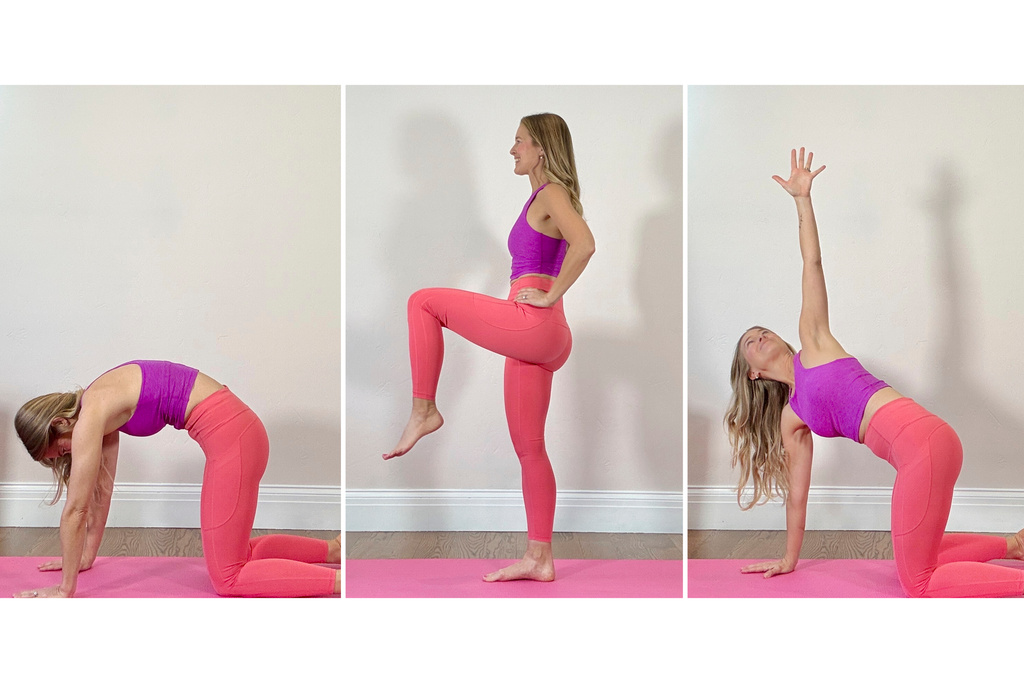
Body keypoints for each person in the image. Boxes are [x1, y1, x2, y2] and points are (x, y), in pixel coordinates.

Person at [724, 148, 1024, 598]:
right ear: (752, 373)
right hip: (929, 447)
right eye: (751, 341)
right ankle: (1015, 544)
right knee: (925, 554)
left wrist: (802, 201)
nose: (760, 336)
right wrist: (790, 557)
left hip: (923, 446)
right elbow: (798, 496)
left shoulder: (816, 341)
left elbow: (812, 265)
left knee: (918, 582)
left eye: (763, 330)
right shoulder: (793, 417)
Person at [384, 113, 595, 583]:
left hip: (535, 324)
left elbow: (586, 244)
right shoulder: (539, 200)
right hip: (542, 336)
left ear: (542, 148)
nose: (512, 149)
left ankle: (423, 411)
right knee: (530, 448)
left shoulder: (551, 194)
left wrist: (549, 294)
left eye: (519, 141)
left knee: (423, 303)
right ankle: (539, 558)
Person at [14, 360, 340, 597]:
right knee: (239, 553)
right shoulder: (100, 406)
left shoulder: (91, 414)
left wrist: (64, 590)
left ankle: (341, 583)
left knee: (228, 577)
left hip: (234, 440)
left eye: (60, 451)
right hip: (241, 433)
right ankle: (333, 551)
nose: (67, 456)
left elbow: (75, 511)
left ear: (58, 423)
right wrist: (85, 557)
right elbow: (101, 493)